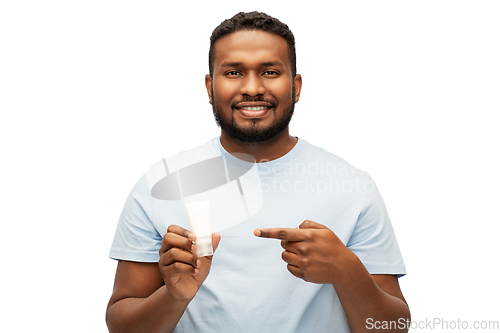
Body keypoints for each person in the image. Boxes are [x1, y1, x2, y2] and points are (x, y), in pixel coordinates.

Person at [106, 11, 410, 333]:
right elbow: (121, 326)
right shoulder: (159, 185)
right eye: (234, 72)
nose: (252, 88)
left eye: (270, 71)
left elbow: (393, 327)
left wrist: (347, 273)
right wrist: (174, 297)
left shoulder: (352, 187)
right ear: (210, 87)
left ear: (296, 86)